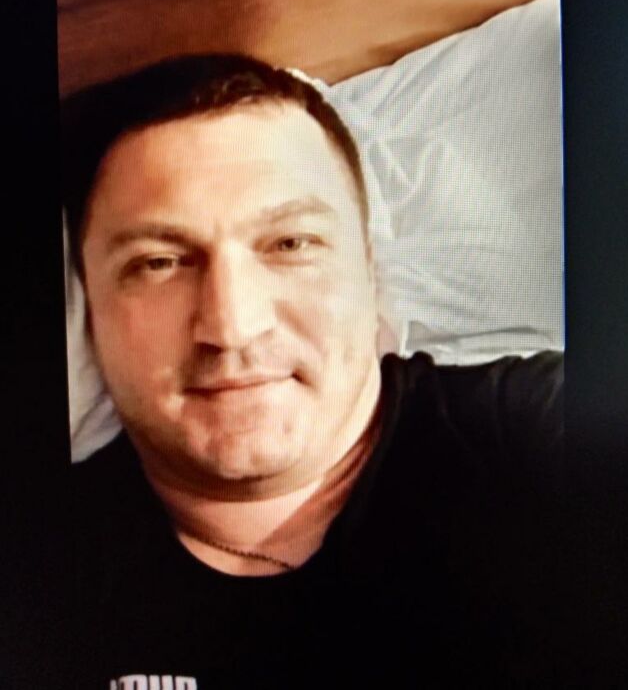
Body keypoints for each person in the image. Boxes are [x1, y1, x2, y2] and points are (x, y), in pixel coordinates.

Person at [62, 54, 563, 689]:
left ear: (369, 271)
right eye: (159, 262)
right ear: (88, 305)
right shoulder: (38, 570)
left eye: (290, 244)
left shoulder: (548, 438)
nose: (233, 326)